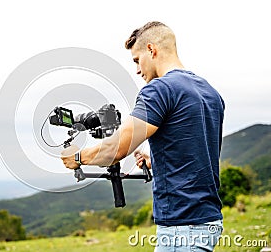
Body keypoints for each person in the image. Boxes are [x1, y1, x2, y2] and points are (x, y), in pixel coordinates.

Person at [61, 21, 224, 251]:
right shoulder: (210, 92)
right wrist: (156, 160)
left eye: (137, 60)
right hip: (209, 220)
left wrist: (78, 158)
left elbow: (115, 150)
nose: (137, 70)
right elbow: (197, 153)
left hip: (182, 226)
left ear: (151, 49)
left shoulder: (159, 89)